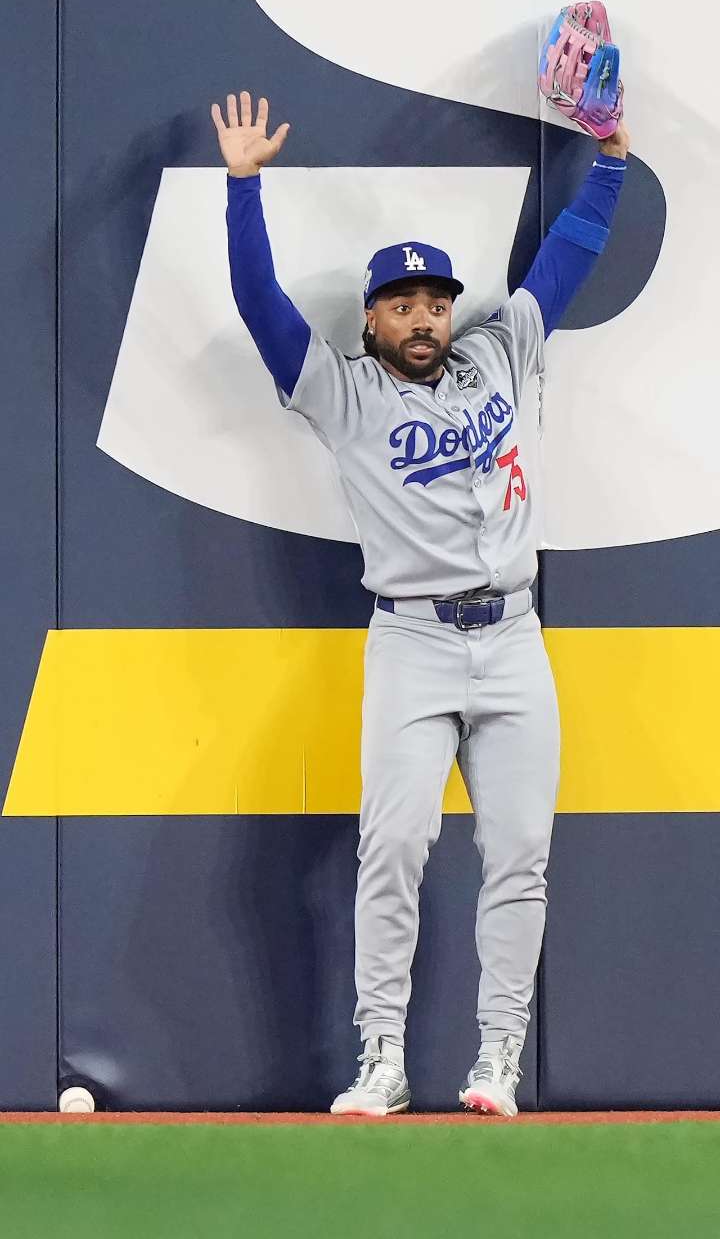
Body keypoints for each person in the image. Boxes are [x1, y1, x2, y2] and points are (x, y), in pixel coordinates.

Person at [211, 89, 629, 1117]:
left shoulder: (497, 351)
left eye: (435, 300)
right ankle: (383, 1059)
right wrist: (242, 189)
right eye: (403, 303)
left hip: (515, 636)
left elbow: (568, 258)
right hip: (411, 641)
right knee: (391, 849)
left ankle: (497, 1061)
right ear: (373, 318)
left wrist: (612, 158)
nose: (425, 315)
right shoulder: (341, 391)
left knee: (520, 855)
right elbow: (262, 304)